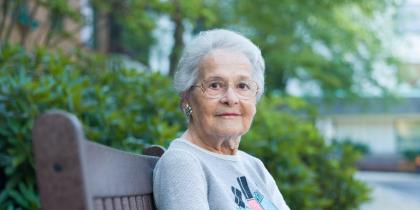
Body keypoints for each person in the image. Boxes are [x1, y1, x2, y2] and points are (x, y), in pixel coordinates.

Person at [153, 29, 290, 210]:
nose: (231, 98)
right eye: (215, 85)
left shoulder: (253, 166)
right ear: (187, 98)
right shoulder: (183, 163)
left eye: (242, 86)